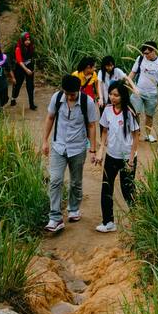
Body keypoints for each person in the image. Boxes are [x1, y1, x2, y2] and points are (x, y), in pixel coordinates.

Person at [43, 74, 98, 233]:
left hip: (78, 148)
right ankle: (55, 218)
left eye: (72, 94)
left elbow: (92, 126)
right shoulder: (57, 97)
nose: (69, 97)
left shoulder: (87, 102)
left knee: (75, 182)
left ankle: (73, 208)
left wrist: (92, 149)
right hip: (58, 146)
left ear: (78, 91)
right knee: (55, 180)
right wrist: (45, 141)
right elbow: (50, 117)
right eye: (67, 93)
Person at [95, 80, 139, 233]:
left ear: (123, 96)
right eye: (111, 94)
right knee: (106, 187)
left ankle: (139, 220)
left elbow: (136, 136)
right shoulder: (107, 110)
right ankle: (108, 222)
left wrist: (131, 159)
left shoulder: (129, 112)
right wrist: (101, 149)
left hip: (127, 157)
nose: (113, 97)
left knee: (127, 189)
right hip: (111, 156)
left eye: (116, 95)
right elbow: (105, 130)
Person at [129, 41, 158, 142]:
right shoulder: (140, 59)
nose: (145, 55)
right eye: (144, 53)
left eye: (147, 53)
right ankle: (136, 132)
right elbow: (133, 73)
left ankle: (148, 135)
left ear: (154, 51)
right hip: (138, 91)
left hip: (152, 93)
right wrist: (130, 85)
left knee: (149, 115)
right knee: (135, 112)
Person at [10, 31, 37, 109]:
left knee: (30, 86)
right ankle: (13, 98)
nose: (28, 42)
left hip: (29, 67)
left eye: (29, 39)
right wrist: (26, 70)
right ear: (22, 40)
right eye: (26, 40)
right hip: (20, 69)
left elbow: (33, 58)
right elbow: (20, 61)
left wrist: (33, 68)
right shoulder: (18, 48)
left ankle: (31, 105)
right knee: (17, 85)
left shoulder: (31, 47)